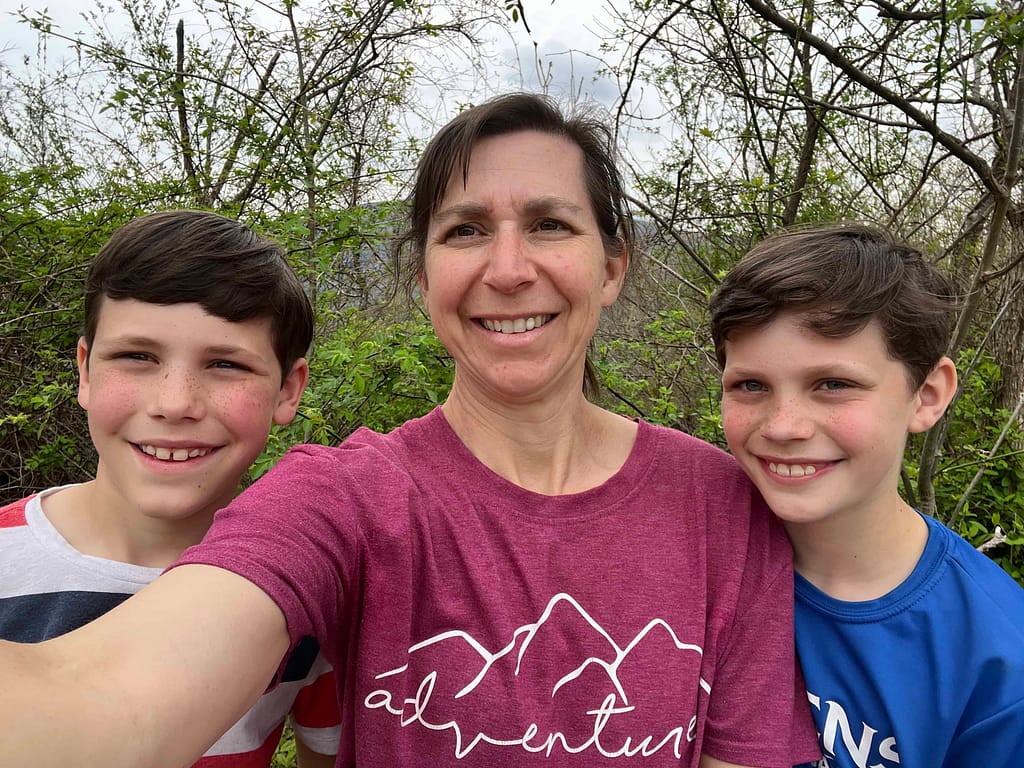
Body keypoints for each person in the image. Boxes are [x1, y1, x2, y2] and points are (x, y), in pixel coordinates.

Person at [1, 94, 820, 767]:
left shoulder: (720, 507)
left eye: (549, 224)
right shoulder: (343, 500)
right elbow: (104, 709)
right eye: (465, 230)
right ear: (424, 278)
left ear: (611, 267)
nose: (508, 270)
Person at [0, 210, 340, 767]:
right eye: (137, 356)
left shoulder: (309, 593)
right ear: (85, 371)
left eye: (225, 364)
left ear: (288, 390)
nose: (175, 403)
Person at [709, 222, 1024, 767]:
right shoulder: (687, 558)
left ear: (927, 395)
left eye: (834, 384)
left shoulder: (998, 659)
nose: (783, 426)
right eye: (750, 385)